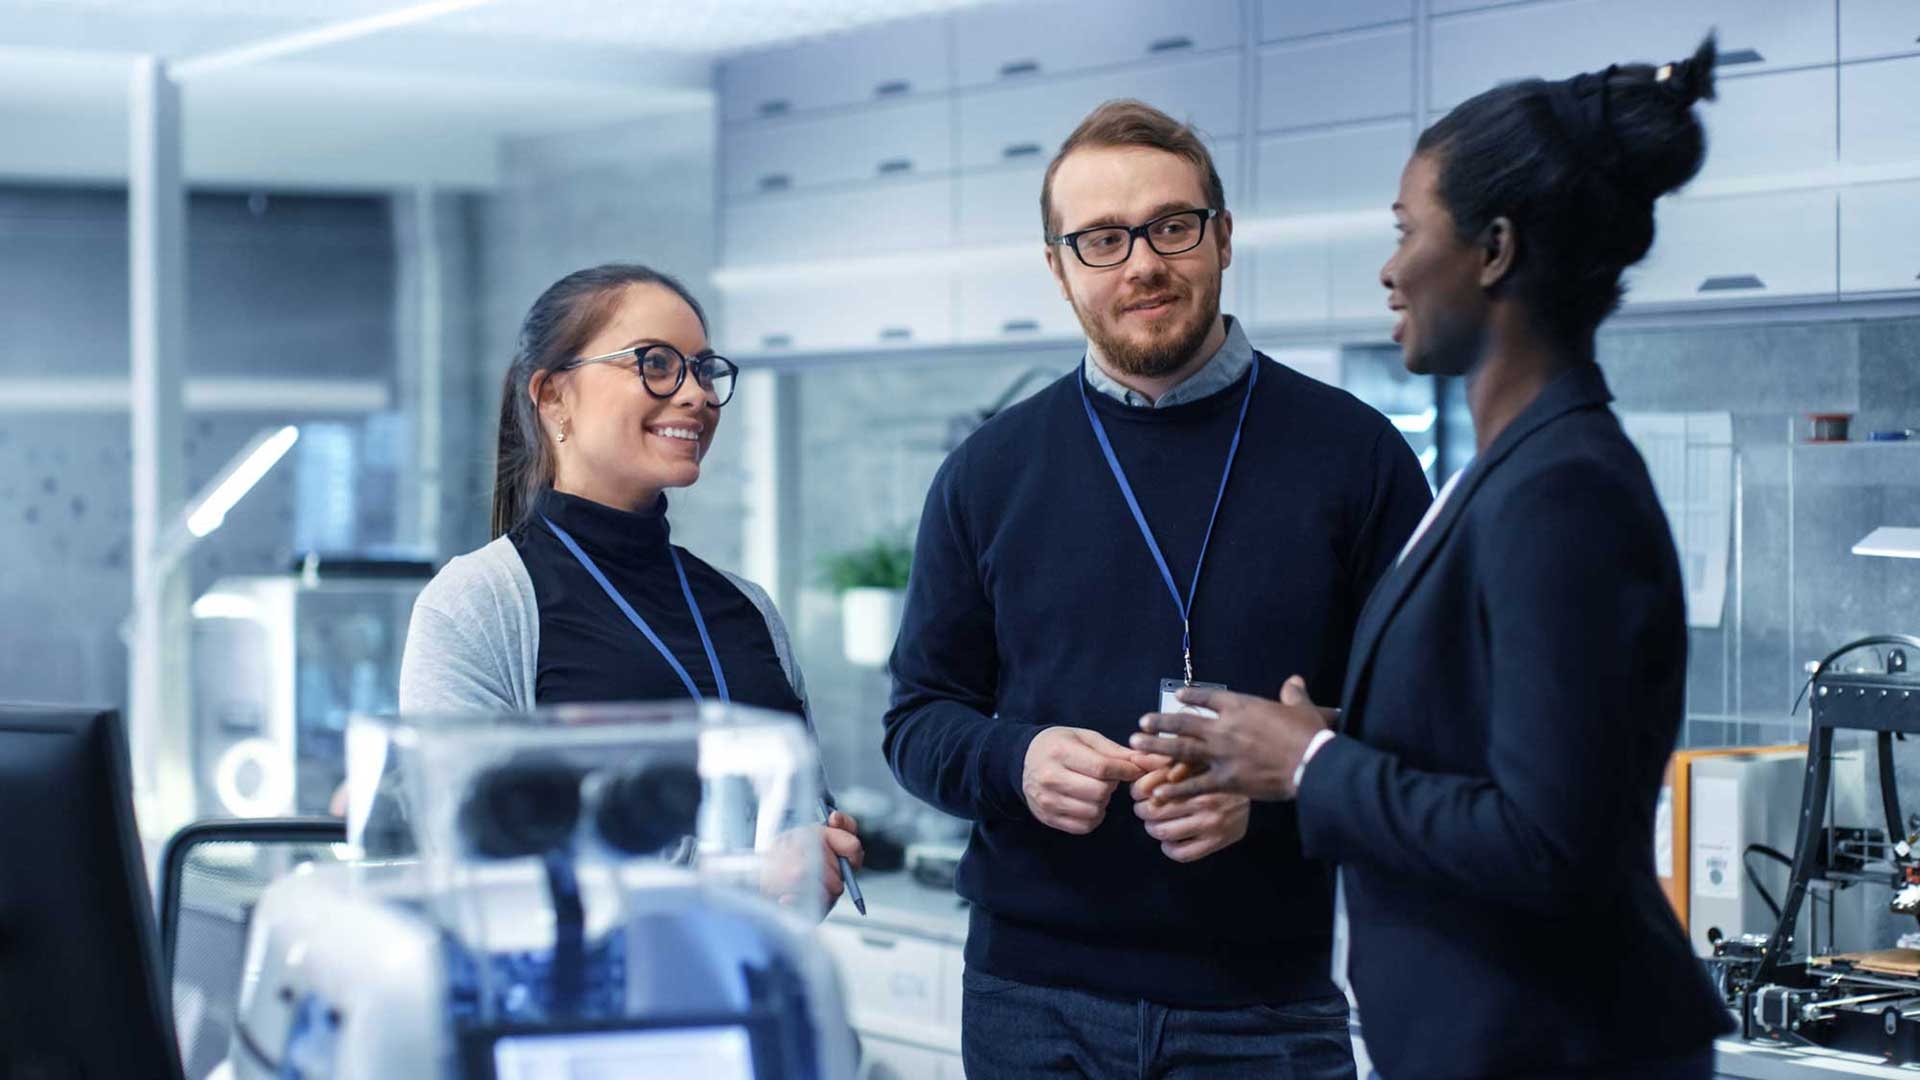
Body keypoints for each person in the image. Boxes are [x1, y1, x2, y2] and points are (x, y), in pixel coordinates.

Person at [1133, 39, 1736, 1080]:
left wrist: (1311, 765)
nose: (1389, 266)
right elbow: (1495, 755)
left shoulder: (1564, 490)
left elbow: (1550, 843)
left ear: (1494, 250)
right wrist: (1330, 735)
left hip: (1559, 1049)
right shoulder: (1508, 471)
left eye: (1410, 231)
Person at [885, 100, 1431, 1077]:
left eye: (1171, 227)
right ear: (1058, 268)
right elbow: (918, 720)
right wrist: (1017, 759)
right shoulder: (986, 474)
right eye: (1100, 239)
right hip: (1028, 1003)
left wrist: (1282, 786)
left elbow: (1434, 735)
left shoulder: (1359, 458)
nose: (1140, 263)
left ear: (1223, 238)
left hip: (1265, 1009)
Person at [397, 263, 862, 909]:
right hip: (581, 1005)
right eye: (656, 364)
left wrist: (816, 854)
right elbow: (473, 858)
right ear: (553, 395)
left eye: (703, 369)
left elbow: (800, 823)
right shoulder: (479, 603)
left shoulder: (747, 608)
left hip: (749, 993)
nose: (696, 394)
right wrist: (741, 878)